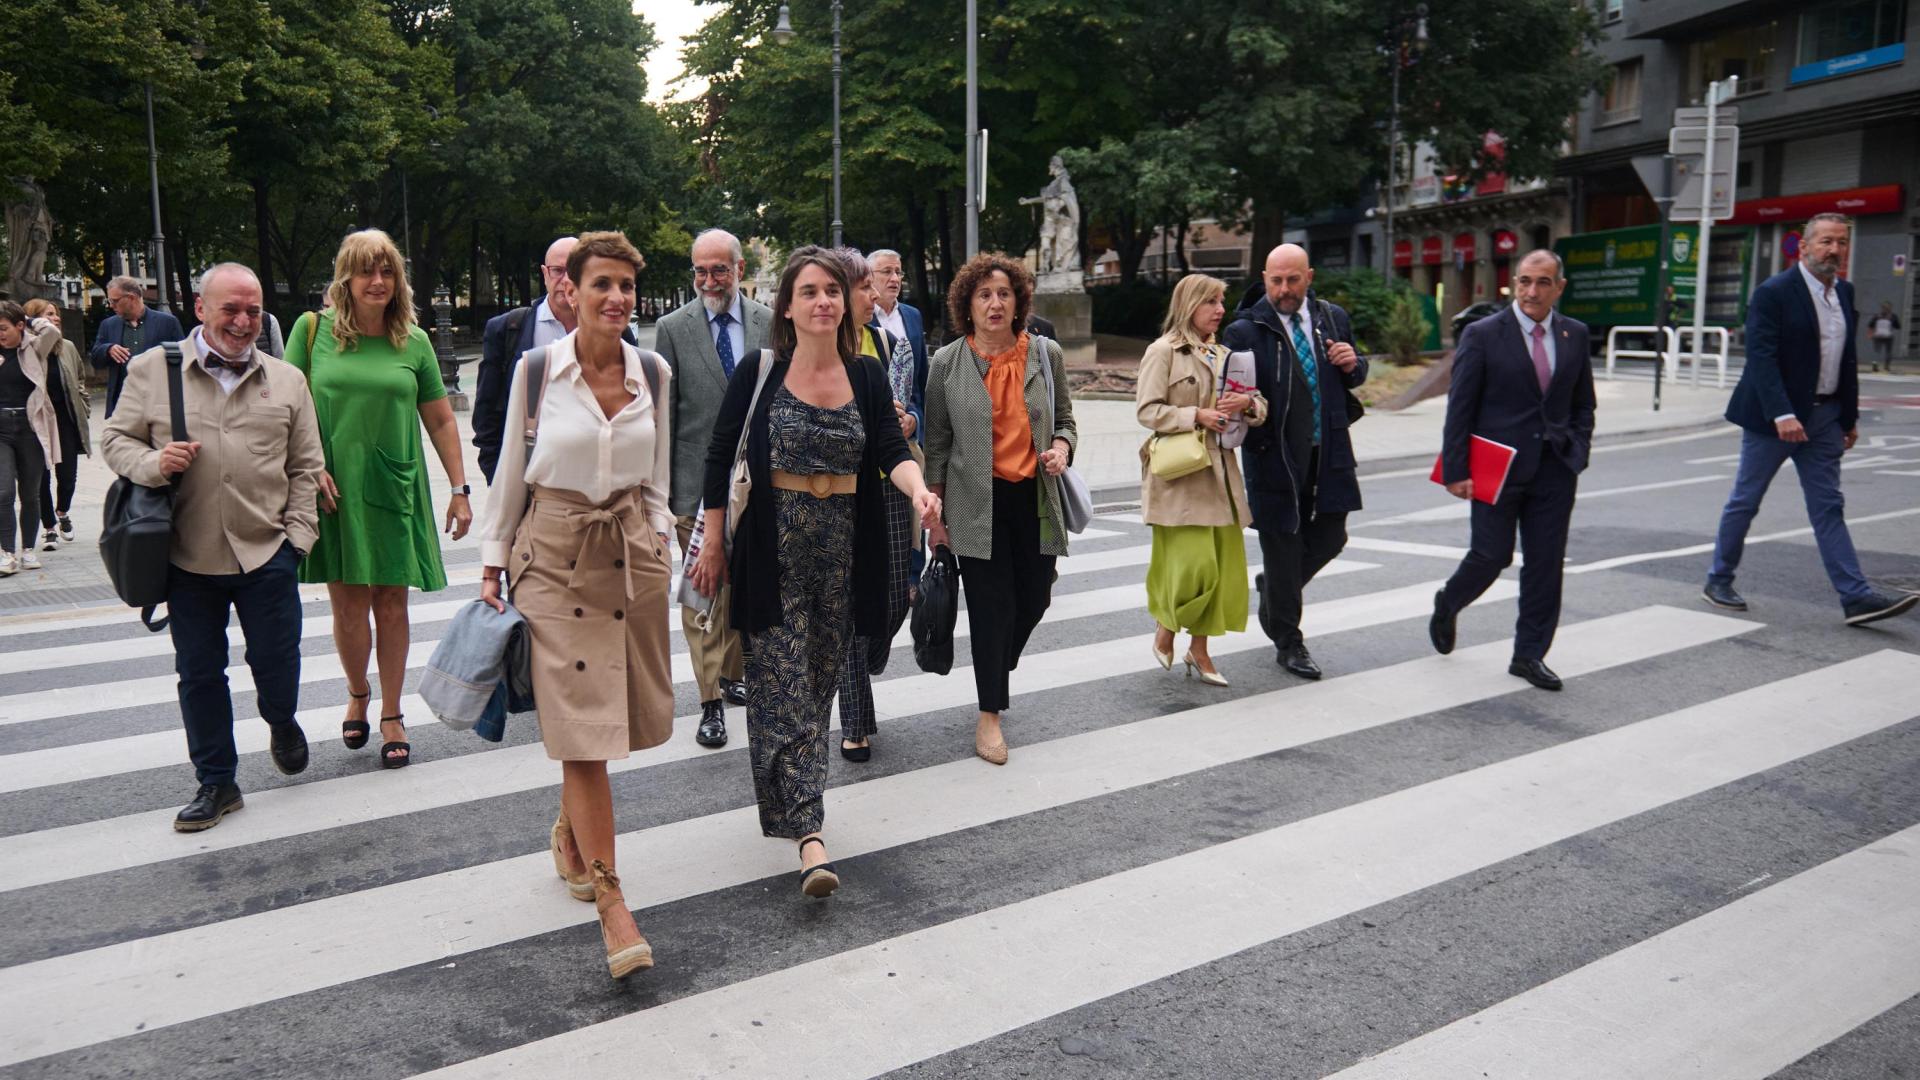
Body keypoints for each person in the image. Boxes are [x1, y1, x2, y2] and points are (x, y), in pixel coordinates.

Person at [691, 246, 939, 898]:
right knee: (781, 691)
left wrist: (918, 491)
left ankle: (790, 795)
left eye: (832, 290)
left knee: (818, 687)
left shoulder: (864, 375)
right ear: (789, 306)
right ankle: (808, 833)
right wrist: (713, 543)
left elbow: (891, 447)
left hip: (843, 554)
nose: (823, 301)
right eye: (809, 291)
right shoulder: (760, 371)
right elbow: (719, 461)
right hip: (773, 554)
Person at [477, 231, 670, 980]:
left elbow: (656, 479)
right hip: (552, 559)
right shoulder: (536, 370)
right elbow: (511, 474)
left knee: (612, 722)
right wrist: (493, 562)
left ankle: (570, 831)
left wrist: (661, 542)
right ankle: (613, 903)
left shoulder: (653, 369)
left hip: (627, 555)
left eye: (627, 286)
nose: (617, 298)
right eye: (602, 285)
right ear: (571, 291)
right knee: (584, 738)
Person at [100, 263, 323, 830]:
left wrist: (296, 538)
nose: (244, 321)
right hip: (185, 554)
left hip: (266, 550)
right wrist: (153, 464)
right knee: (199, 674)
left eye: (253, 311)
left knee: (277, 662)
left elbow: (305, 466)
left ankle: (281, 718)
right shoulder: (154, 371)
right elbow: (115, 438)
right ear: (200, 308)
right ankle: (217, 781)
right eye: (231, 309)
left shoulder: (287, 379)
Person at [286, 229, 470, 769]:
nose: (377, 281)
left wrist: (460, 490)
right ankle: (357, 691)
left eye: (387, 270)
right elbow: (289, 408)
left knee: (391, 603)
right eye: (367, 270)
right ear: (346, 276)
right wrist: (309, 465)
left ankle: (391, 712)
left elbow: (439, 418)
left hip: (395, 483)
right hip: (333, 485)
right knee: (347, 605)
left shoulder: (412, 340)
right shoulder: (311, 330)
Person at [1702, 214, 1917, 627]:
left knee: (1828, 506)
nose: (1834, 250)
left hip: (1825, 418)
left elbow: (1845, 361)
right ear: (1803, 246)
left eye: (1841, 242)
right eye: (1825, 242)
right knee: (1745, 501)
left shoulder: (1844, 292)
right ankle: (1719, 579)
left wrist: (1849, 417)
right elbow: (1761, 358)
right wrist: (1782, 413)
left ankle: (1855, 597)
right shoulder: (1774, 292)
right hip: (1774, 421)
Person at [923, 253, 1078, 765]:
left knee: (1034, 600)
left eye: (1004, 294)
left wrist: (1061, 447)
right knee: (991, 611)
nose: (995, 303)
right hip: (974, 504)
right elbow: (939, 444)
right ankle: (990, 714)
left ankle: (995, 669)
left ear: (1019, 303)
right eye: (984, 294)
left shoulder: (1045, 354)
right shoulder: (946, 363)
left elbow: (1066, 420)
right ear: (967, 304)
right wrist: (934, 517)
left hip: (1035, 499)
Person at [1429, 250, 1596, 691]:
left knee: (1545, 565)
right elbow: (1460, 407)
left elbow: (1583, 403)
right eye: (1524, 282)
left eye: (1542, 283)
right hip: (1495, 468)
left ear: (1559, 287)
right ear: (1513, 285)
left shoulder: (1574, 334)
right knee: (1491, 555)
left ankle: (1529, 655)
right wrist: (1456, 470)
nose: (1531, 292)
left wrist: (1577, 448)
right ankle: (1449, 601)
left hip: (1555, 469)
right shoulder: (1484, 334)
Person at [1224, 243, 1367, 680]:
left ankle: (1275, 592)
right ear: (1264, 279)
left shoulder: (1332, 317)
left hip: (1330, 450)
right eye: (1275, 280)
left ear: (1310, 276)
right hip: (1275, 456)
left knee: (1330, 537)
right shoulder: (1245, 331)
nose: (1284, 289)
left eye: (1293, 279)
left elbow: (1355, 375)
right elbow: (1236, 395)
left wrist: (1353, 363)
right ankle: (1289, 642)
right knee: (1283, 546)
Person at [656, 228, 772, 748]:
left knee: (737, 592)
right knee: (704, 594)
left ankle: (730, 675)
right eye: (700, 271)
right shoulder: (672, 328)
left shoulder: (770, 323)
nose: (708, 280)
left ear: (740, 270)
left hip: (753, 489)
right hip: (694, 490)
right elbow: (664, 415)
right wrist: (661, 495)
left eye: (718, 270)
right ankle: (709, 703)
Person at [1139, 274, 1266, 686]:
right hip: (1182, 476)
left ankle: (1200, 649)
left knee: (1223, 570)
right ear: (1189, 303)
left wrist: (1248, 404)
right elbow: (1147, 411)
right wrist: (1196, 415)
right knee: (1194, 569)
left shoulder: (1227, 354)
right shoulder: (1164, 352)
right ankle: (1167, 628)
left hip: (1223, 477)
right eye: (1210, 301)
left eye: (1220, 301)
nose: (1219, 309)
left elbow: (1259, 403)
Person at [834, 247, 918, 762]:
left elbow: (906, 409)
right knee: (847, 609)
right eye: (865, 287)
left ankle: (868, 650)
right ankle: (855, 724)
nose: (875, 295)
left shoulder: (888, 344)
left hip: (890, 483)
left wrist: (906, 420)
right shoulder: (815, 347)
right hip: (838, 490)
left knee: (890, 600)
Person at [472, 237, 637, 482]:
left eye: (575, 271)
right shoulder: (508, 331)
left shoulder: (616, 331)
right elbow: (487, 416)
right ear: (545, 273)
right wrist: (500, 478)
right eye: (558, 271)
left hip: (599, 477)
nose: (566, 280)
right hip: (530, 477)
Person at [0, 303, 62, 575]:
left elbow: (51, 330)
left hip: (30, 426)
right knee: (3, 492)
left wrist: (25, 316)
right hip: (1, 428)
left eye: (3, 328)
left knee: (30, 492)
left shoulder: (35, 347)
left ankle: (27, 550)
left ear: (20, 327)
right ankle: (6, 552)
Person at [21, 300, 88, 550]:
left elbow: (80, 377)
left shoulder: (67, 347)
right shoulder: (26, 348)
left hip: (65, 419)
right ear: (34, 318)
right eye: (50, 314)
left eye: (57, 314)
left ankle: (62, 511)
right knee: (41, 476)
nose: (56, 318)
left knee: (68, 476)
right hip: (39, 420)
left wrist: (84, 404)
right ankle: (49, 528)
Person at [89, 276, 183, 418]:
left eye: (115, 301)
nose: (111, 305)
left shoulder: (167, 322)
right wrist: (108, 349)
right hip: (123, 404)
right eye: (110, 301)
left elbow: (182, 359)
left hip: (159, 404)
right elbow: (95, 359)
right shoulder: (108, 325)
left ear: (131, 298)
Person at [1868, 300, 1901, 373]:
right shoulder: (1893, 316)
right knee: (1888, 352)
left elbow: (1870, 325)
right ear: (1890, 308)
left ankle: (1875, 365)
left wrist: (1870, 334)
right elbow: (1898, 326)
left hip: (1878, 335)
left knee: (1877, 351)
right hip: (1888, 336)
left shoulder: (1877, 316)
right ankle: (1887, 366)